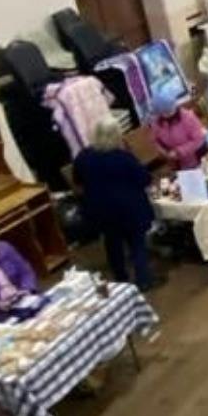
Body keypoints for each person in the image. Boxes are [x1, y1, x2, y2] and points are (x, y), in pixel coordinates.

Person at [73, 117, 157, 290]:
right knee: (136, 244)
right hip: (129, 209)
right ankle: (143, 280)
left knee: (112, 245)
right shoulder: (123, 157)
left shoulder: (83, 157)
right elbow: (144, 179)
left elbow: (78, 181)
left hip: (101, 211)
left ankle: (121, 280)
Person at [149, 89, 207, 170]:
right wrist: (162, 151)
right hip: (176, 163)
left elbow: (198, 139)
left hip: (196, 157)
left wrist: (178, 151)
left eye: (170, 111)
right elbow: (155, 140)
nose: (168, 114)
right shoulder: (157, 123)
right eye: (164, 113)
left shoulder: (188, 117)